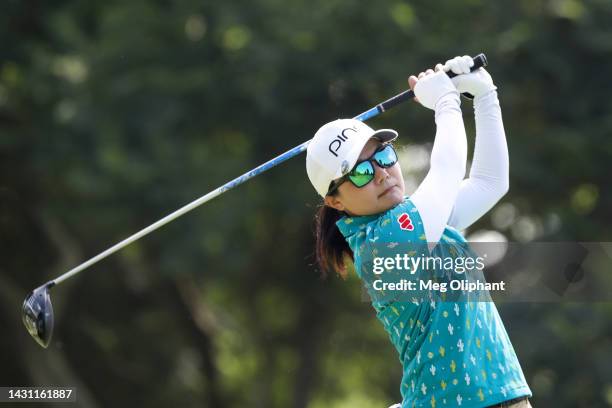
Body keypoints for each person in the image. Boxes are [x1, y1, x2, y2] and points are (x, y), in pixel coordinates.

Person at [306, 56, 533, 407]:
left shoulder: (421, 222)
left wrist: (486, 96)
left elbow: (490, 182)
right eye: (361, 173)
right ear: (335, 202)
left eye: (382, 156)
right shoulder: (385, 242)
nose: (381, 174)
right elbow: (448, 170)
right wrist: (445, 102)